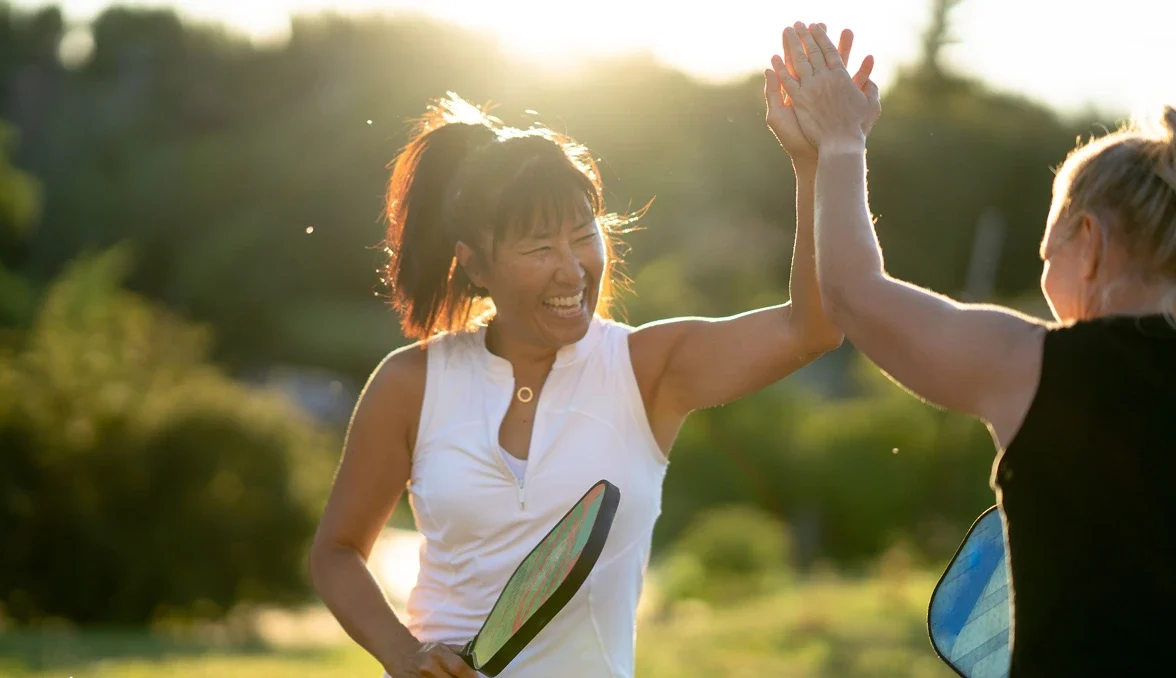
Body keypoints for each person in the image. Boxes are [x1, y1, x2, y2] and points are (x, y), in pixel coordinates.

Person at [307, 27, 871, 677]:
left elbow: (815, 328)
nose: (572, 268)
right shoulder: (411, 383)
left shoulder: (647, 369)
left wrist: (819, 161)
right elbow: (338, 551)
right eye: (540, 247)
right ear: (476, 264)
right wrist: (405, 655)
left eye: (583, 235)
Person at [771, 21, 1176, 676]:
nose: (1045, 287)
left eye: (1049, 256)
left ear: (1091, 243)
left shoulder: (1044, 370)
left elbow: (851, 293)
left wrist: (838, 144)